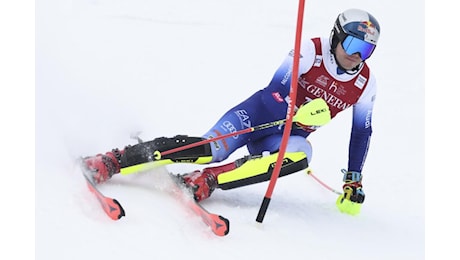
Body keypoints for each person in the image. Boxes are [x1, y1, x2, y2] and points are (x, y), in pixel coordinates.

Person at [83, 8, 380, 216]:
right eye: (353, 44)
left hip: (283, 139)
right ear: (337, 36)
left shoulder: (365, 83)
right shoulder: (312, 50)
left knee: (301, 155)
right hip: (258, 115)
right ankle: (114, 160)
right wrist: (293, 110)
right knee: (210, 149)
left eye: (366, 50)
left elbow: (361, 132)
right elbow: (275, 89)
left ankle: (208, 180)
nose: (356, 55)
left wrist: (353, 178)